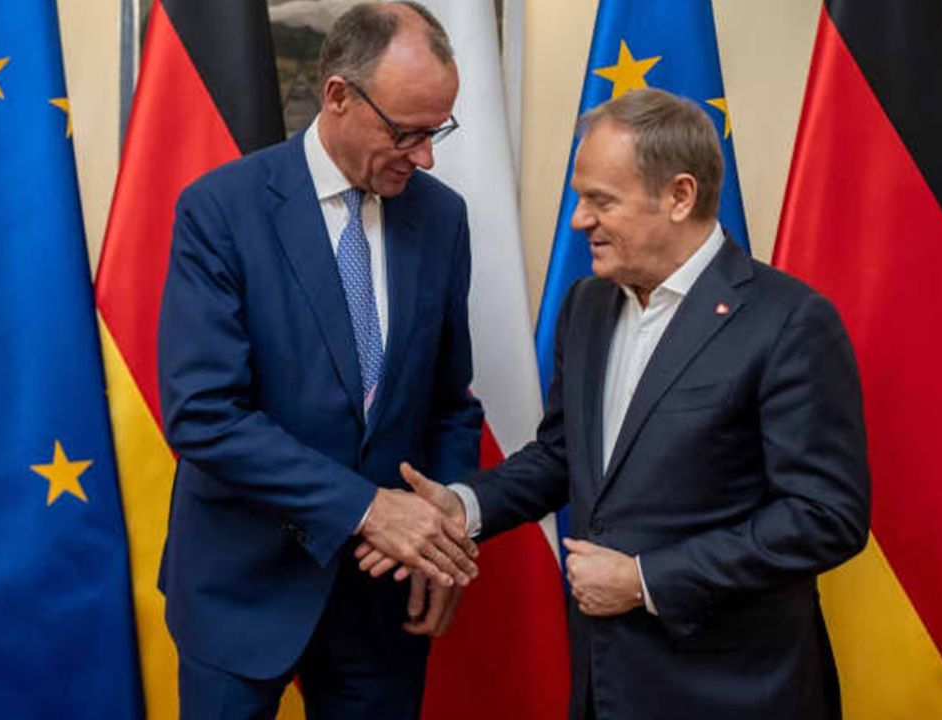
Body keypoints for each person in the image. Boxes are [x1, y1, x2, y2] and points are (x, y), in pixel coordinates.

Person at [367, 88, 871, 719]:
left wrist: (645, 580)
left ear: (680, 196)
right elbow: (563, 454)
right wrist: (464, 506)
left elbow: (825, 516)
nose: (579, 221)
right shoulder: (588, 305)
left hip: (732, 691)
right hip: (606, 685)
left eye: (602, 201)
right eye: (581, 198)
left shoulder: (788, 322)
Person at [156, 3, 483, 717]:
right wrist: (367, 510)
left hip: (382, 601)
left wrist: (446, 531)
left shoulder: (442, 217)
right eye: (406, 132)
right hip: (242, 587)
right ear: (338, 96)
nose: (425, 156)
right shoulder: (221, 210)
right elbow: (204, 415)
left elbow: (449, 404)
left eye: (436, 132)